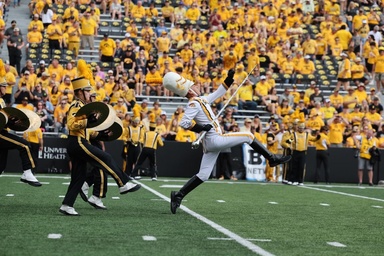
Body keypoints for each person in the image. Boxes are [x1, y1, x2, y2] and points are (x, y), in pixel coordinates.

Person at [162, 71, 291, 214]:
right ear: (191, 90)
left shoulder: (201, 100)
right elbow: (184, 123)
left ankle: (178, 195)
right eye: (195, 86)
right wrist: (201, 127)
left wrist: (229, 79)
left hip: (210, 143)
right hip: (215, 139)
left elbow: (219, 92)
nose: (198, 87)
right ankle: (272, 158)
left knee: (204, 175)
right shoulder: (194, 103)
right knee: (248, 135)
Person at [59, 77, 141, 216]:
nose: (89, 94)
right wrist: (87, 121)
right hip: (77, 142)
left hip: (78, 141)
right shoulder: (76, 105)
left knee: (79, 177)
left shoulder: (82, 106)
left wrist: (103, 133)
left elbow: (88, 131)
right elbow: (71, 124)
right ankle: (123, 183)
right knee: (105, 157)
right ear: (79, 92)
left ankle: (67, 205)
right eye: (86, 91)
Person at [0, 79, 42, 187]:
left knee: (1, 166)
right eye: (3, 86)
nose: (5, 88)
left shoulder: (1, 100)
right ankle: (27, 172)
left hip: (3, 131)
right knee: (24, 145)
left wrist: (13, 120)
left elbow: (4, 119)